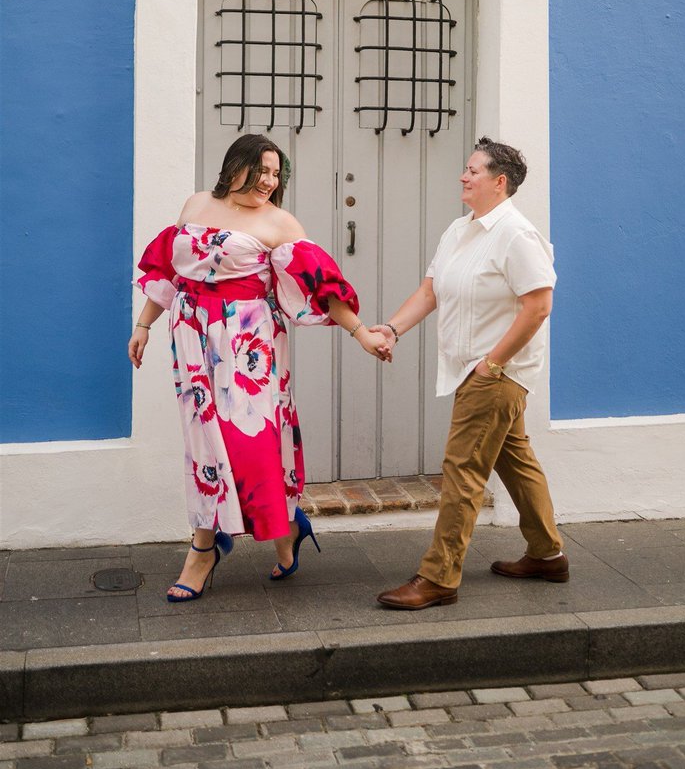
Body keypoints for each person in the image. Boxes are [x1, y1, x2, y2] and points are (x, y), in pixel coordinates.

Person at [128, 134, 386, 602]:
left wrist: (361, 332)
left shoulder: (278, 223)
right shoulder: (196, 204)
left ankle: (269, 532)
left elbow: (320, 284)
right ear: (234, 167)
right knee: (205, 445)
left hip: (247, 344)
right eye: (261, 170)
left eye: (275, 174)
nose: (269, 181)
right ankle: (217, 545)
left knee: (249, 444)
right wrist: (144, 325)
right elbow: (170, 270)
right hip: (190, 337)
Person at [371, 136, 566, 610]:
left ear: (499, 183)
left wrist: (494, 363)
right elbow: (430, 291)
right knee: (514, 460)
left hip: (496, 372)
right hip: (471, 369)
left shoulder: (517, 235)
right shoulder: (460, 231)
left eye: (473, 171)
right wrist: (393, 328)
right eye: (466, 169)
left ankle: (439, 577)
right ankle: (547, 553)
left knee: (462, 470)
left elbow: (538, 306)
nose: (464, 176)